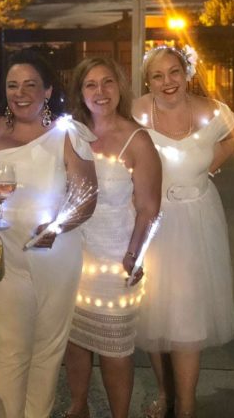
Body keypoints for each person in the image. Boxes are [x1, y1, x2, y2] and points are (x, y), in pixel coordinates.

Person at [0, 49, 98, 418]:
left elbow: (86, 198)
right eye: (13, 85)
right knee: (7, 346)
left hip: (55, 253)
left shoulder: (67, 135)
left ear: (48, 91)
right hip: (1, 252)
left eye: (31, 85)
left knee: (48, 348)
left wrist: (57, 227)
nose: (21, 93)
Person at [132, 45, 234, 418]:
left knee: (187, 314)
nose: (167, 82)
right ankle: (165, 393)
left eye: (174, 72)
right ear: (148, 81)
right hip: (154, 221)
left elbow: (233, 135)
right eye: (158, 76)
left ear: (187, 72)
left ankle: (187, 406)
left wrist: (207, 168)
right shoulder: (137, 112)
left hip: (197, 221)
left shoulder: (212, 110)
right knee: (154, 311)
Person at [63, 57, 162, 418]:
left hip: (116, 259)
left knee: (114, 348)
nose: (100, 92)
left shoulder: (137, 140)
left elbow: (150, 208)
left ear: (120, 88)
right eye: (91, 84)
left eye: (108, 83)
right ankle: (78, 407)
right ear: (80, 92)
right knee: (74, 342)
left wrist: (135, 254)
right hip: (72, 256)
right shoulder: (70, 134)